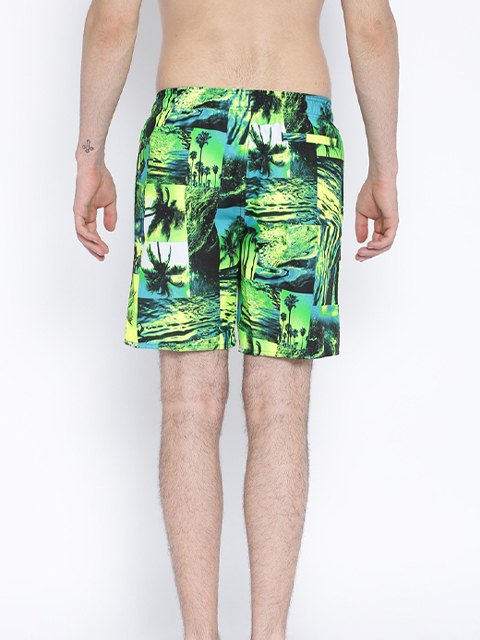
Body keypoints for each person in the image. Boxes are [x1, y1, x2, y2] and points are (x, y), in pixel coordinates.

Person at [73, 0, 399, 638]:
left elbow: (111, 22)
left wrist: (89, 155)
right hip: (297, 140)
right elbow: (372, 27)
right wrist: (384, 168)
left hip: (186, 135)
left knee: (188, 404)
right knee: (281, 409)